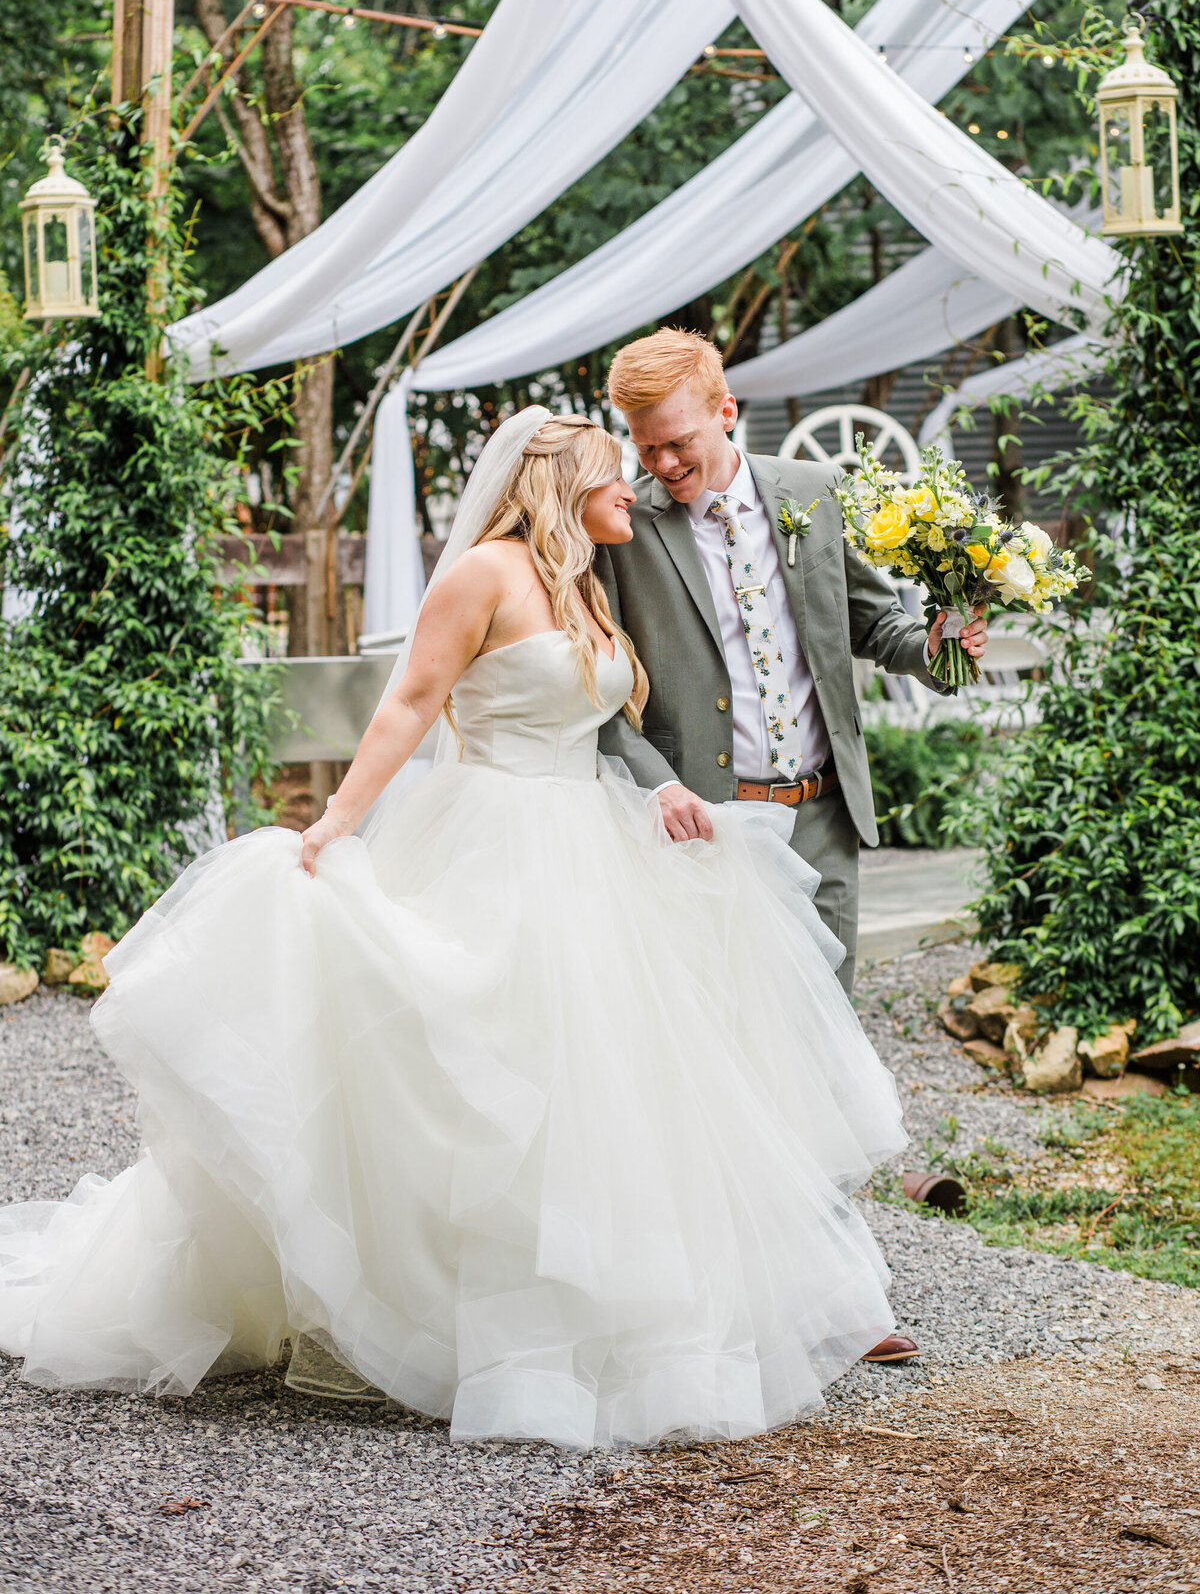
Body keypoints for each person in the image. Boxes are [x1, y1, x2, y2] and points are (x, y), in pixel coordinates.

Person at [0, 409, 914, 1450]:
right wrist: (337, 822)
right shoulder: (482, 572)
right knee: (484, 1077)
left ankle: (613, 1317)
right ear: (566, 485)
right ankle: (470, 1322)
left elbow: (609, 721)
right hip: (494, 841)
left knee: (608, 1090)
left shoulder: (585, 581)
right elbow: (409, 702)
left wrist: (660, 794)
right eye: (616, 478)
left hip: (590, 846)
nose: (635, 493)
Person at [597, 328, 989, 996]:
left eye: (678, 440)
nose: (662, 462)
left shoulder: (815, 490)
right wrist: (657, 787)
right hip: (705, 825)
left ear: (726, 412)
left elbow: (867, 620)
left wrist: (933, 643)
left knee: (829, 1022)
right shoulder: (623, 530)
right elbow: (595, 689)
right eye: (645, 444)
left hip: (821, 817)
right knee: (729, 1030)